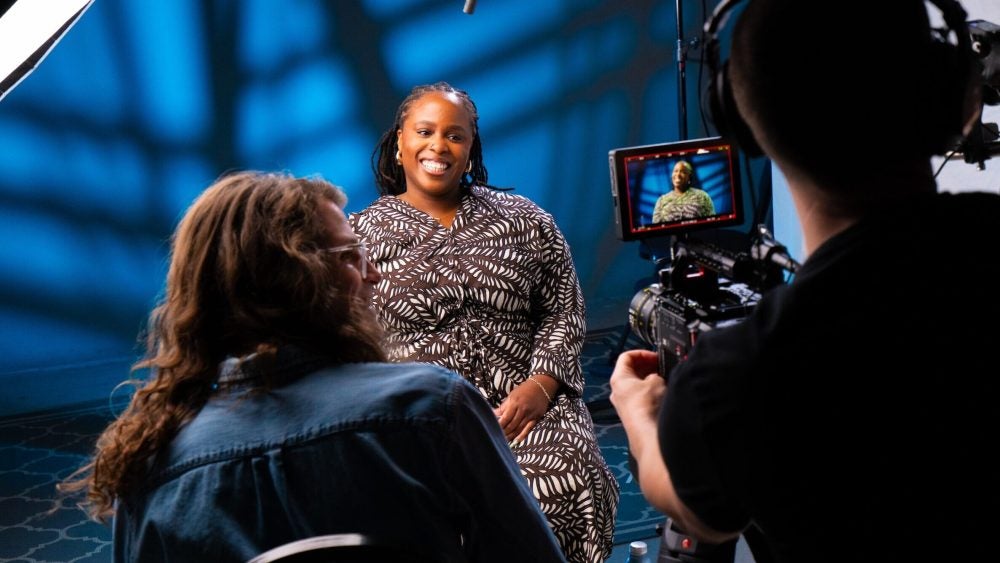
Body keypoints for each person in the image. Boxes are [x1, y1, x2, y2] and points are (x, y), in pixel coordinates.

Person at [610, 0, 1000, 561]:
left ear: (742, 123)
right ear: (956, 98)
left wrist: (640, 413)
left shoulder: (734, 381)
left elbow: (697, 512)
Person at [57, 171, 568, 563]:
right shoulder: (434, 407)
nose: (372, 276)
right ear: (292, 279)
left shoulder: (149, 467)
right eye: (349, 257)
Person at [350, 82, 619, 563]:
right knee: (425, 508)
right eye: (425, 132)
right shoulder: (359, 238)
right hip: (419, 419)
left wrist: (541, 386)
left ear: (471, 148)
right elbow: (346, 339)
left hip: (527, 411)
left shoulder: (525, 221)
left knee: (571, 476)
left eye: (455, 136)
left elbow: (562, 308)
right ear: (399, 144)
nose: (439, 146)